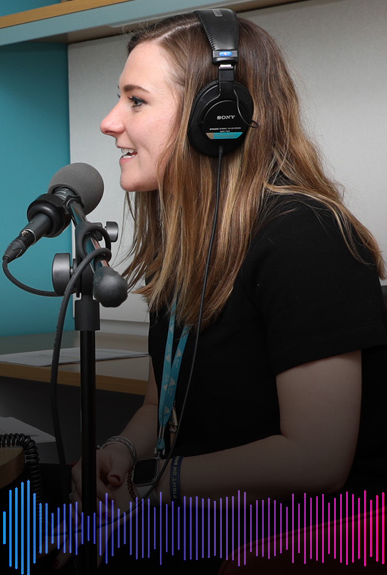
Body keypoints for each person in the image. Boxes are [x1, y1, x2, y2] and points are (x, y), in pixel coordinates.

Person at [66, 9, 385, 571]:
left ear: (218, 117)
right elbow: (156, 405)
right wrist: (119, 452)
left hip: (287, 536)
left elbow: (316, 460)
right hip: (200, 512)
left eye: (136, 101)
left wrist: (157, 487)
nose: (110, 122)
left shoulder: (306, 238)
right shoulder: (191, 243)